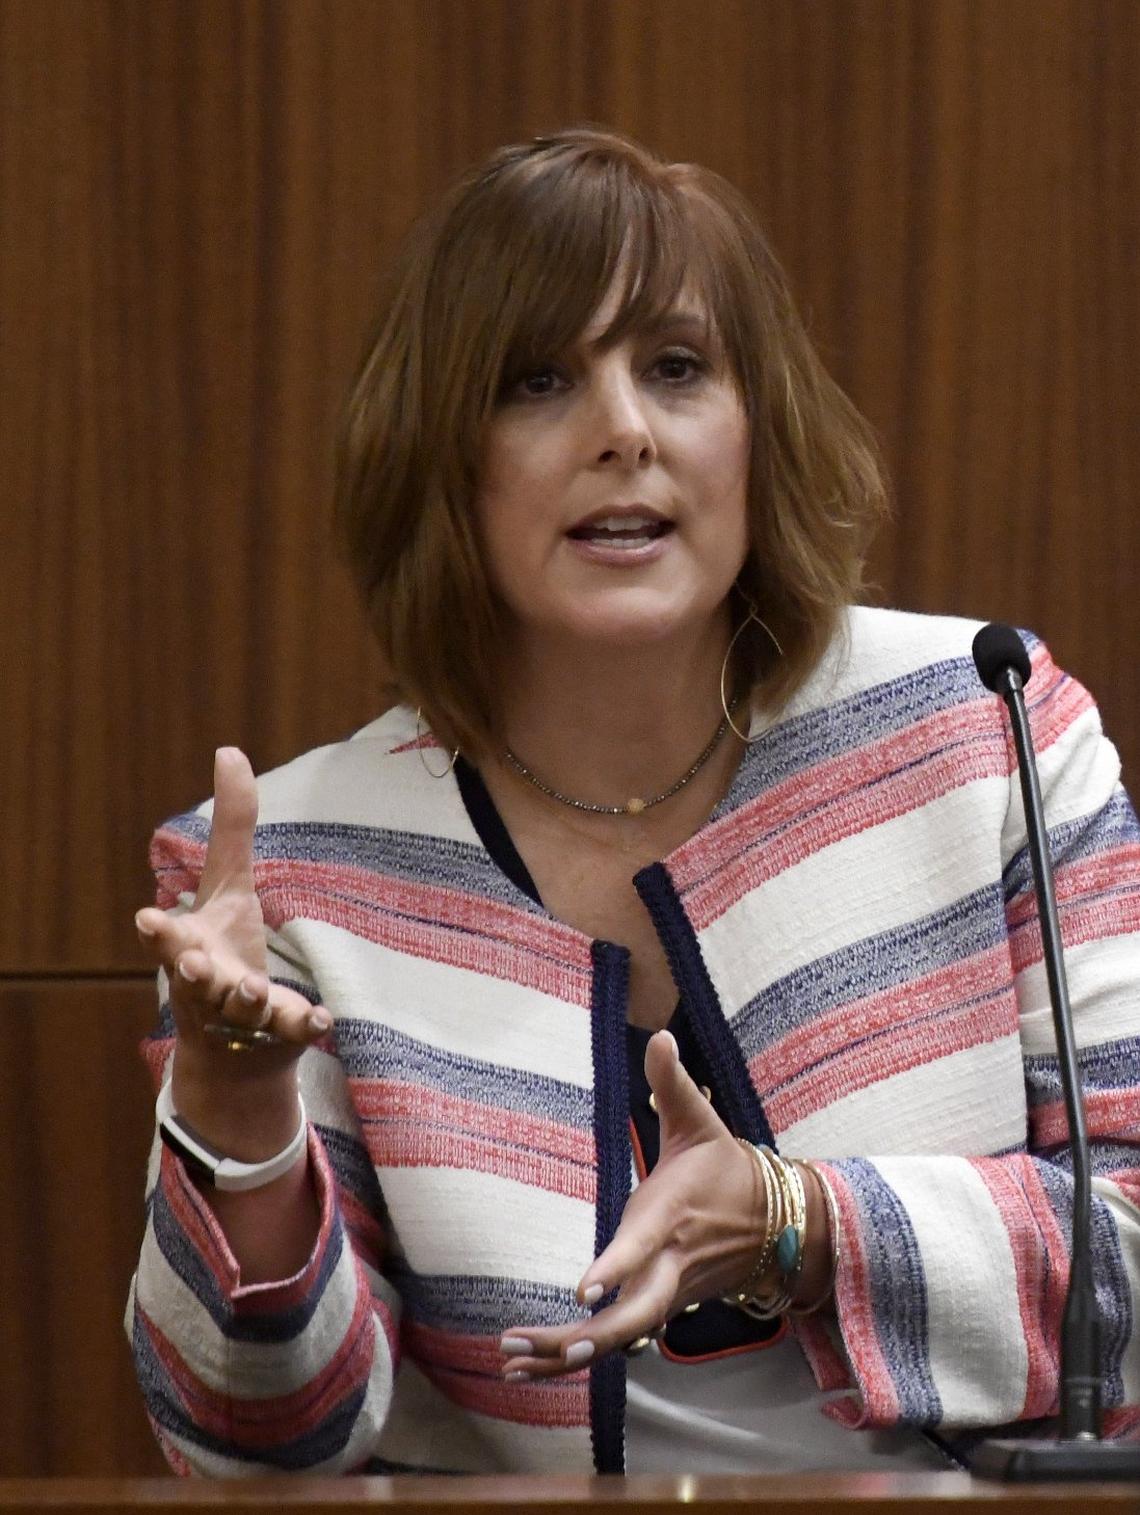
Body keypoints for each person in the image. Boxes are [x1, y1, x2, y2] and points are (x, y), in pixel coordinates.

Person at [127, 126, 1140, 1477]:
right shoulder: (299, 873)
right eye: (537, 381)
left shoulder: (986, 728)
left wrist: (800, 1221)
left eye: (677, 368)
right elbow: (256, 1447)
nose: (623, 432)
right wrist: (243, 1127)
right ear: (442, 459)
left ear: (757, 425)